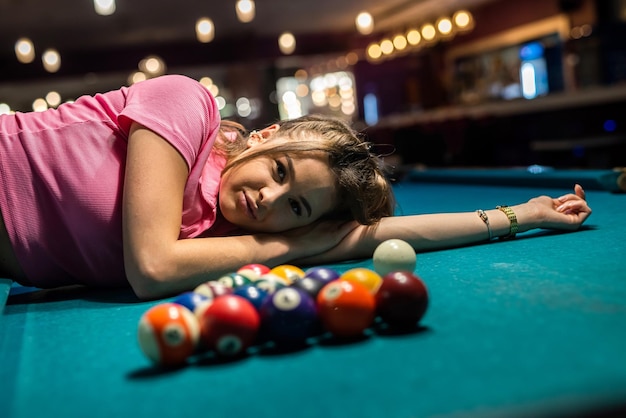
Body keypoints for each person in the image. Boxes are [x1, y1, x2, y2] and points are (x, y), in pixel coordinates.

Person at [0, 74, 592, 300]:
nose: (271, 199)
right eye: (280, 173)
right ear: (266, 137)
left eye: (298, 207)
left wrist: (525, 212)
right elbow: (151, 267)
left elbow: (377, 236)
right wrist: (293, 244)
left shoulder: (226, 235)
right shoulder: (186, 102)